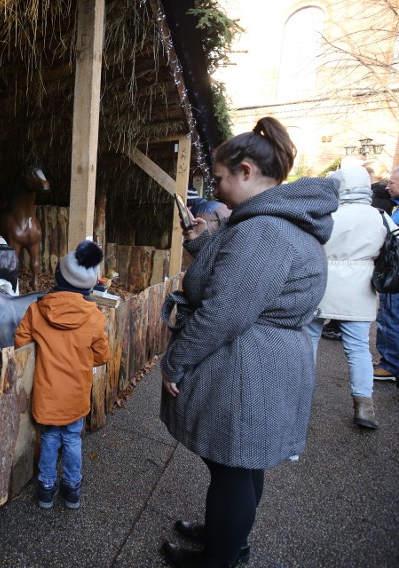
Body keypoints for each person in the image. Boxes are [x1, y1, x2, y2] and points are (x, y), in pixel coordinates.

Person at [158, 117, 338, 568]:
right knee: (240, 464)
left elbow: (224, 311)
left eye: (218, 178)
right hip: (266, 361)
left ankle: (219, 556)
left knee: (233, 469)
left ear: (244, 171)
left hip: (249, 368)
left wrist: (174, 361)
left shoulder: (264, 232)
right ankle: (226, 535)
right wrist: (208, 245)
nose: (215, 189)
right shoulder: (272, 223)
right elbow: (243, 277)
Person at [14, 240, 110, 510]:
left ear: (58, 276)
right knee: (71, 439)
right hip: (76, 395)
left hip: (47, 393)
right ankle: (72, 489)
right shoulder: (94, 317)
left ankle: (46, 489)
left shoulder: (37, 309)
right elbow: (103, 356)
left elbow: (20, 343)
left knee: (50, 438)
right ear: (88, 286)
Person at [304, 165, 396, 429]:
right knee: (358, 349)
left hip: (321, 284)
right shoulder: (379, 216)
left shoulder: (324, 214)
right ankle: (364, 405)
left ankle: (302, 398)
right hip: (361, 287)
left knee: (309, 342)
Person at [374, 166, 399, 382]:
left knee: (390, 318)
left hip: (396, 274)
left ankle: (390, 365)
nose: (387, 186)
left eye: (392, 183)